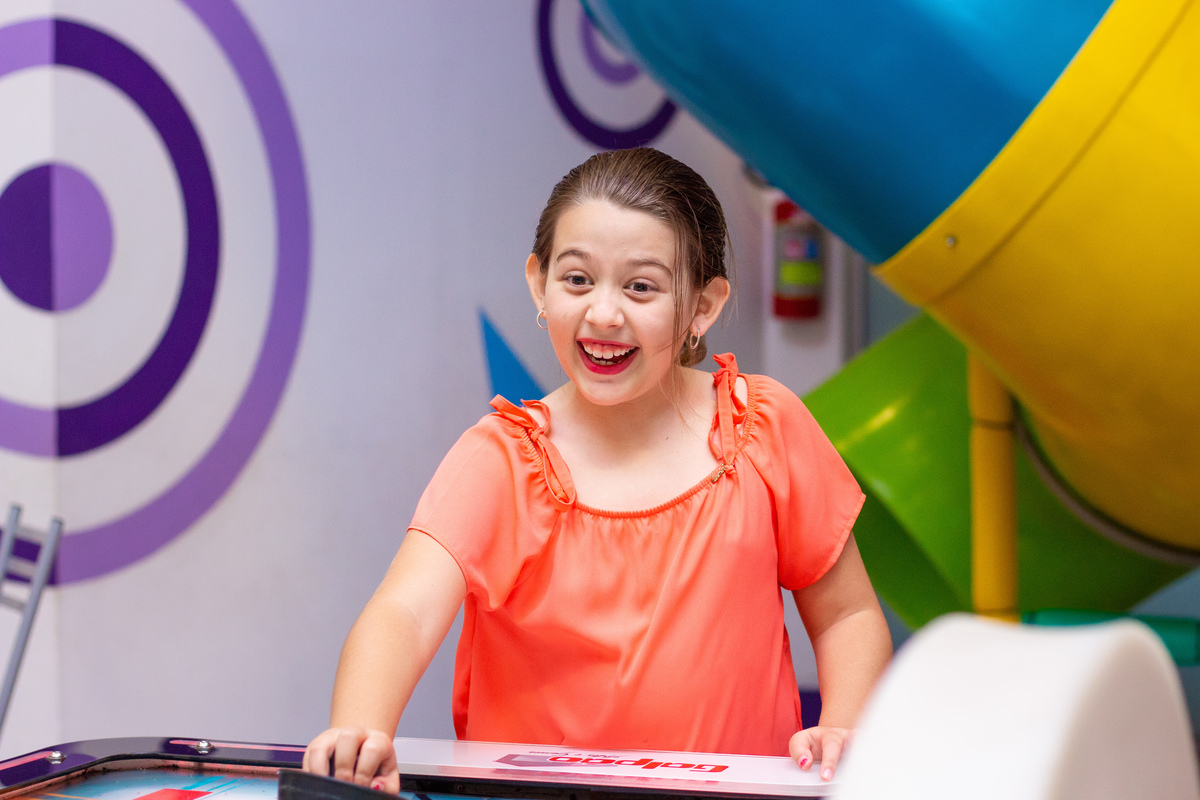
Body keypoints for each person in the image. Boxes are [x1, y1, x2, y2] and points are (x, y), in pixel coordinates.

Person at [302, 148, 892, 792]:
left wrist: (845, 728)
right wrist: (360, 730)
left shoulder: (766, 427)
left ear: (702, 305)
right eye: (578, 280)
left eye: (641, 286)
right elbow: (404, 614)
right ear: (539, 282)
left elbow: (846, 616)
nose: (603, 314)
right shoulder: (501, 460)